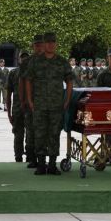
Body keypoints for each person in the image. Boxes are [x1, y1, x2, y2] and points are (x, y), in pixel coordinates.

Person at [24, 32, 72, 175]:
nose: (50, 45)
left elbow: (69, 81)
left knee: (54, 134)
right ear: (44, 44)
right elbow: (28, 80)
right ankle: (40, 164)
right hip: (39, 104)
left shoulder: (62, 62)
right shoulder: (35, 62)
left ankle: (52, 164)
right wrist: (30, 100)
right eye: (48, 42)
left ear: (56, 44)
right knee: (39, 134)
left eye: (53, 42)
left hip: (56, 105)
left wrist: (67, 100)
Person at [6, 51, 34, 165]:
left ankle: (30, 157)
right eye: (22, 58)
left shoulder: (33, 72)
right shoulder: (13, 73)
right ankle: (18, 157)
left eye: (26, 58)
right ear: (19, 60)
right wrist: (8, 113)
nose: (24, 60)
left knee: (30, 134)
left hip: (30, 108)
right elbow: (8, 94)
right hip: (18, 109)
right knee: (18, 134)